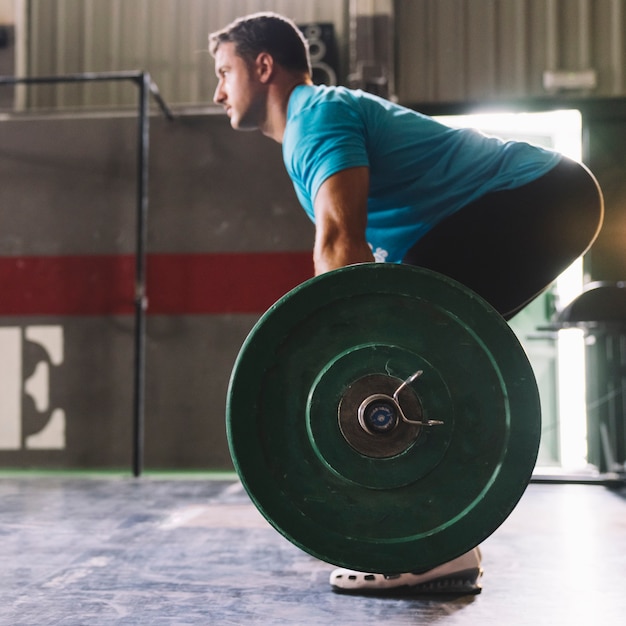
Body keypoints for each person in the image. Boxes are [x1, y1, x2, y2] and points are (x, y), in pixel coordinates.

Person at [209, 12, 604, 595]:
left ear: (263, 66)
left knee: (416, 354)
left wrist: (351, 358)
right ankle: (443, 545)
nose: (217, 91)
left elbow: (341, 244)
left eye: (224, 72)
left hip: (536, 198)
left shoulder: (315, 116)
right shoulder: (310, 127)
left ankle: (435, 549)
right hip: (542, 201)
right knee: (421, 353)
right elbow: (366, 256)